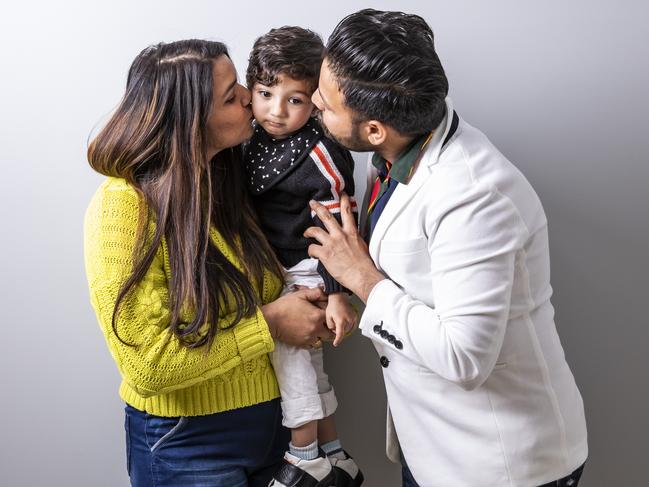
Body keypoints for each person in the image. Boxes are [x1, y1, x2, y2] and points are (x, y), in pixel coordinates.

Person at [306, 9, 588, 487]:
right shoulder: (406, 130)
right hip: (432, 445)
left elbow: (464, 357)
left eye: (325, 103)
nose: (313, 101)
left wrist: (363, 280)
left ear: (375, 130)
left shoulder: (477, 198)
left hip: (496, 463)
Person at [84, 39, 335, 487]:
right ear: (189, 120)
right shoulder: (123, 207)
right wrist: (271, 325)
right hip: (189, 442)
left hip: (277, 430)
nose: (247, 95)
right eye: (230, 94)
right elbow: (148, 365)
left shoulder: (225, 183)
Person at [244, 26, 363, 487]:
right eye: (265, 93)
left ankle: (304, 454)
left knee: (291, 357)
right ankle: (335, 452)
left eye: (294, 99)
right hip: (275, 264)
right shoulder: (253, 138)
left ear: (316, 100)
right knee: (309, 366)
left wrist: (336, 294)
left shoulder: (318, 151)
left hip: (308, 266)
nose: (276, 110)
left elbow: (338, 223)